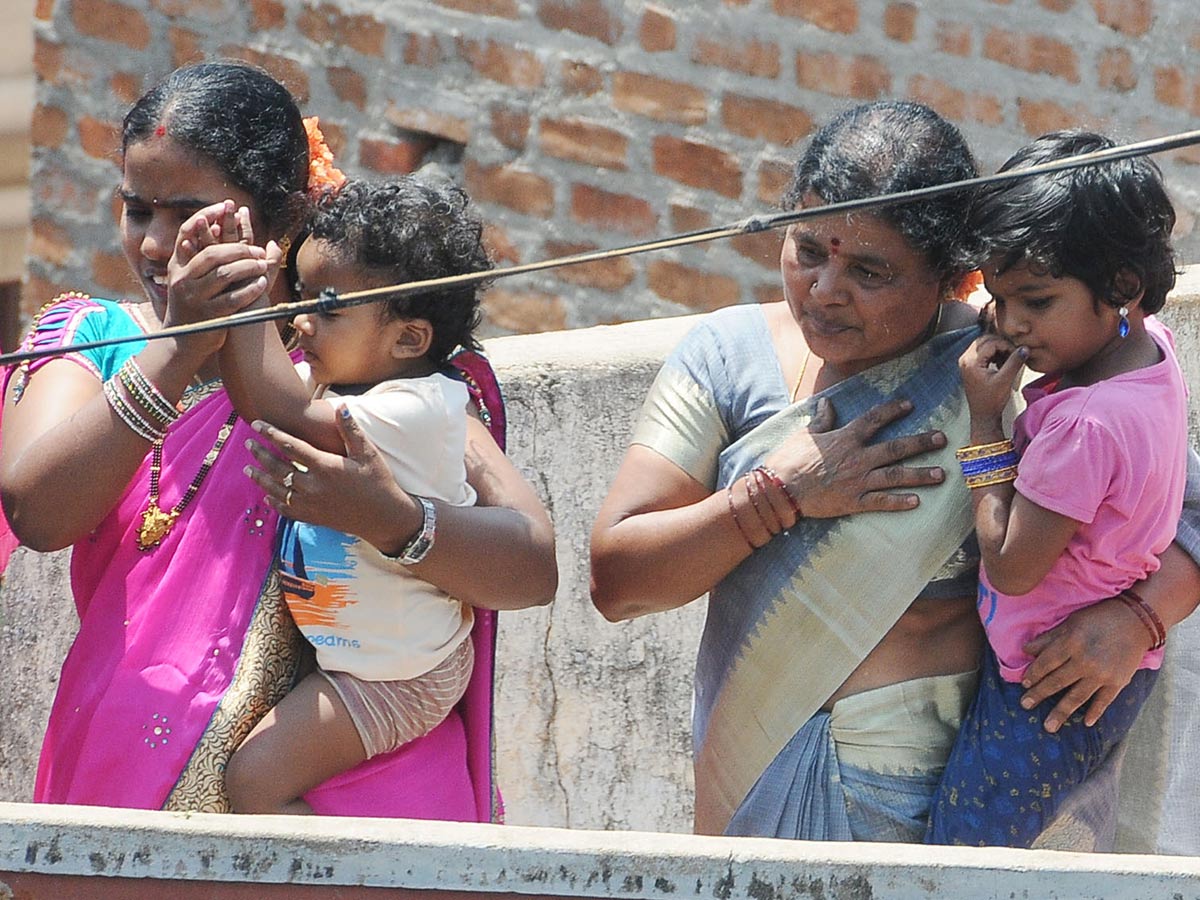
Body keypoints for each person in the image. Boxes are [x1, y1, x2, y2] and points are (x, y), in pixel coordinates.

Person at [589, 100, 1200, 845]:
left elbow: (1186, 512)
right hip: (761, 785)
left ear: (958, 278)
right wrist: (777, 495)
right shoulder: (725, 359)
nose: (824, 289)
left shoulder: (1011, 366)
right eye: (808, 249)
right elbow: (616, 582)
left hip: (957, 801)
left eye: (870, 270)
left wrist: (1137, 618)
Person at [0, 60, 555, 819]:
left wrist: (391, 519)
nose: (159, 246)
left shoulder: (358, 357)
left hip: (360, 789)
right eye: (138, 211)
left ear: (284, 217)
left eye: (190, 215)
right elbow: (39, 511)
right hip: (128, 776)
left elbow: (530, 566)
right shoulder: (92, 339)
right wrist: (181, 347)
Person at [924, 132, 1188, 847]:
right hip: (1087, 666)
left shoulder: (1084, 427)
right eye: (997, 298)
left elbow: (1010, 564)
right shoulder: (1147, 349)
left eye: (1035, 301)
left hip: (1045, 689)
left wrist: (984, 417)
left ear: (1122, 288)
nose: (1010, 325)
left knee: (965, 856)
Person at [212, 177, 493, 814]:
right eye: (300, 295)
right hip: (371, 654)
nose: (300, 319)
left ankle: (335, 878)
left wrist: (240, 300)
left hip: (400, 675)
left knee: (250, 782)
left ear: (409, 339)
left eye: (327, 306)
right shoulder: (353, 379)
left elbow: (277, 408)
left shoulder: (416, 409)